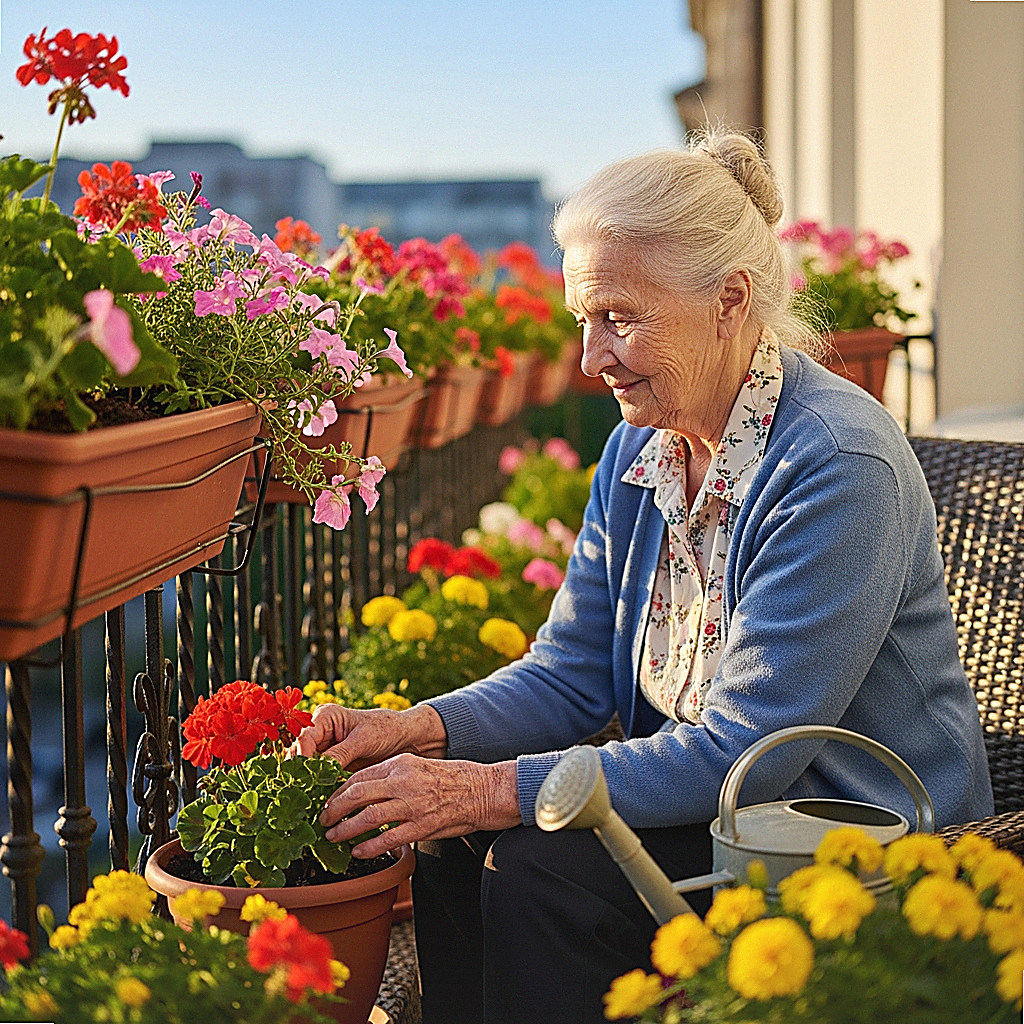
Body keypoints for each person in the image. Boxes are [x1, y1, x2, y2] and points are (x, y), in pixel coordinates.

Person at [297, 127, 994, 1024]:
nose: (591, 360)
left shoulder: (834, 464)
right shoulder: (640, 447)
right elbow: (573, 672)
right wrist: (421, 732)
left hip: (845, 843)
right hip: (718, 811)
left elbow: (745, 749)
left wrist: (485, 787)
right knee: (452, 837)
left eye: (618, 318)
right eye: (583, 320)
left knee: (540, 869)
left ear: (729, 300)